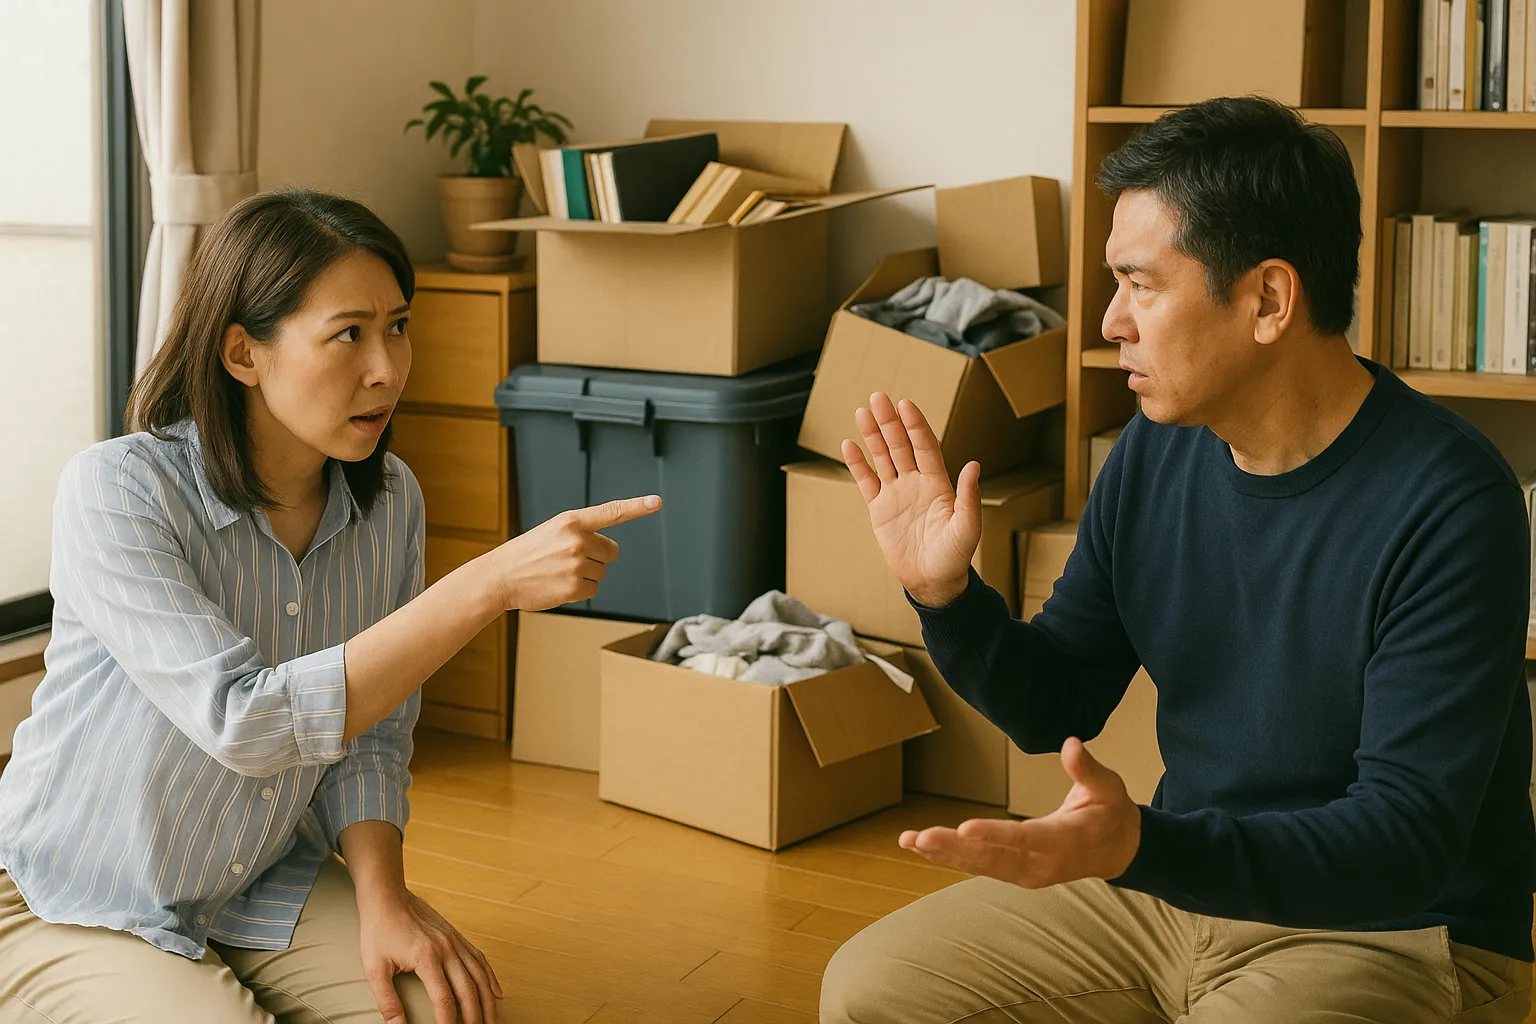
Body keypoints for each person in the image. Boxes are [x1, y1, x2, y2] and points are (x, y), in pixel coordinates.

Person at [821, 97, 1535, 1023]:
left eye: (1141, 285)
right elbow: (1059, 703)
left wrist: (1139, 847)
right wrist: (946, 595)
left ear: (1268, 299)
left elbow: (1405, 843)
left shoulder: (1450, 503)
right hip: (1172, 887)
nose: (1112, 320)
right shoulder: (1157, 449)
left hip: (1394, 928)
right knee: (872, 991)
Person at [0, 189, 659, 1024]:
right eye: (348, 333)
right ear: (244, 353)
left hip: (259, 876)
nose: (386, 367)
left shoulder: (389, 501)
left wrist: (387, 901)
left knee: (437, 1011)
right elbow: (246, 721)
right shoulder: (118, 489)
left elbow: (373, 733)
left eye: (399, 326)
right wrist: (487, 584)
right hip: (77, 892)